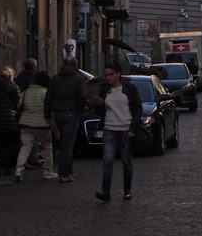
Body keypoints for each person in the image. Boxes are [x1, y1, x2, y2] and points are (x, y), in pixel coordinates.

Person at [94, 61, 142, 202]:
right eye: (106, 75)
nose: (108, 77)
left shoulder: (129, 89)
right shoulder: (104, 90)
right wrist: (98, 105)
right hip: (109, 129)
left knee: (126, 161)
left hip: (126, 130)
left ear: (118, 74)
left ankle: (127, 190)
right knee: (107, 161)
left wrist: (133, 128)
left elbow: (138, 108)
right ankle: (105, 191)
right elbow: (99, 111)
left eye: (111, 74)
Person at [44, 55, 87, 183]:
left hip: (57, 113)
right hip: (71, 113)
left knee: (63, 143)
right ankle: (63, 174)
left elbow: (48, 98)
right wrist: (79, 110)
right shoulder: (79, 79)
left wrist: (47, 115)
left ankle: (69, 172)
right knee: (67, 144)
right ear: (74, 66)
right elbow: (83, 96)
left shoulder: (55, 79)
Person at [14, 70, 57, 182]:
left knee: (25, 147)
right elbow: (50, 108)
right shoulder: (46, 92)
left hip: (26, 124)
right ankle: (48, 171)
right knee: (47, 147)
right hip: (42, 125)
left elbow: (19, 105)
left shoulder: (26, 91)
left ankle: (19, 170)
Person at [0, 67, 22, 175]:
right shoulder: (13, 87)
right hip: (10, 119)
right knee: (15, 143)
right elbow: (19, 104)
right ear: (11, 76)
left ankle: (5, 168)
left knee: (4, 144)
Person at [15, 58, 41, 168]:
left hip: (22, 111)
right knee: (33, 136)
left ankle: (23, 162)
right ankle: (33, 159)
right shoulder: (33, 80)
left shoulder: (19, 78)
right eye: (36, 65)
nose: (37, 67)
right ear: (33, 67)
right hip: (31, 111)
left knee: (25, 137)